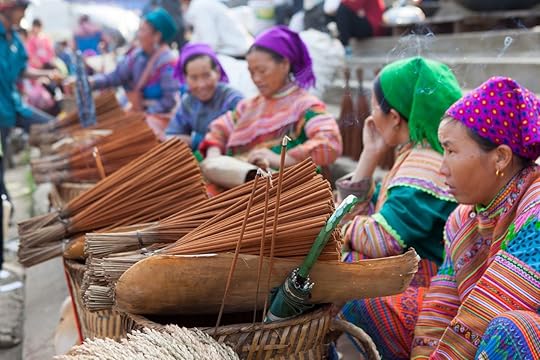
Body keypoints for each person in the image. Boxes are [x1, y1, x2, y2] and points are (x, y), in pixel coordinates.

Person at [335, 57, 462, 359]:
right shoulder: (414, 154)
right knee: (351, 260)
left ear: (393, 117)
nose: (371, 114)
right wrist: (370, 155)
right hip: (422, 275)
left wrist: (337, 226)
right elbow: (368, 218)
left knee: (354, 282)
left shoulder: (424, 165)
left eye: (375, 106)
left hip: (440, 290)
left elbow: (382, 238)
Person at [412, 76, 540, 359]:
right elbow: (441, 303)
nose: (442, 168)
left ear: (500, 158)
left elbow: (495, 307)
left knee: (512, 330)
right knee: (379, 305)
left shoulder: (536, 209)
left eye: (451, 151)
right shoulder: (462, 219)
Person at [199, 25, 342, 170]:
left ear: (285, 64)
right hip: (243, 184)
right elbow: (219, 130)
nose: (256, 78)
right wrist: (214, 155)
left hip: (284, 187)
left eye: (262, 71)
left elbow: (330, 142)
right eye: (251, 72)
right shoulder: (248, 106)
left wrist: (284, 159)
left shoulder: (305, 106)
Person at [89, 7, 179, 115]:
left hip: (157, 119)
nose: (138, 35)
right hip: (139, 115)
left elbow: (169, 101)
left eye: (143, 30)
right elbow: (117, 76)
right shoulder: (136, 56)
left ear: (157, 36)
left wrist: (144, 114)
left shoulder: (168, 62)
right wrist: (92, 82)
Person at [165, 43, 243, 151]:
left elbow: (240, 140)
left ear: (217, 72)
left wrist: (194, 140)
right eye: (193, 78)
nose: (201, 85)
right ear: (185, 78)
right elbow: (172, 135)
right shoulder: (188, 101)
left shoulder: (233, 100)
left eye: (206, 75)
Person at [182, 0, 253, 58]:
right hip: (235, 52)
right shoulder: (201, 4)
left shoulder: (200, 5)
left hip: (234, 55)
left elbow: (210, 42)